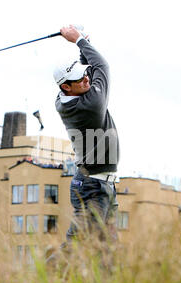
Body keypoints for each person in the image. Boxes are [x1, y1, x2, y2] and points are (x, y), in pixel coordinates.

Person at [49, 25, 120, 269]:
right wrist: (79, 40)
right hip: (93, 186)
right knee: (76, 245)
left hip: (101, 183)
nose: (86, 78)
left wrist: (83, 49)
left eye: (83, 73)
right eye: (79, 78)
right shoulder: (91, 104)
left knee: (108, 249)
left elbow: (90, 67)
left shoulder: (65, 98)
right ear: (66, 87)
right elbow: (103, 67)